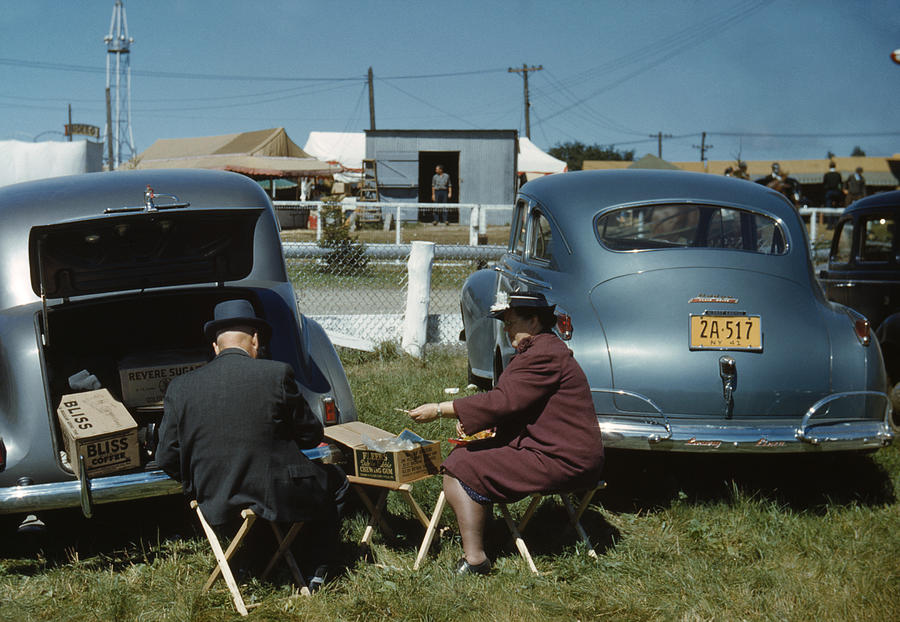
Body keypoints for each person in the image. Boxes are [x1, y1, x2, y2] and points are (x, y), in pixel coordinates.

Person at [408, 292, 604, 575]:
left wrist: (440, 408)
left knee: (458, 466)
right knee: (466, 455)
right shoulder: (545, 350)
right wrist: (483, 425)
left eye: (511, 322)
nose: (506, 328)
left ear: (534, 321)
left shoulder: (543, 355)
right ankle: (486, 533)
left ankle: (475, 560)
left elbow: (503, 400)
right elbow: (522, 406)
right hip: (561, 452)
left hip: (562, 459)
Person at [156, 298, 347, 588]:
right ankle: (315, 568)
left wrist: (202, 481)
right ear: (256, 340)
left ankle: (256, 555)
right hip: (277, 496)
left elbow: (166, 457)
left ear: (216, 347)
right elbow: (310, 434)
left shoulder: (180, 387)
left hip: (215, 500)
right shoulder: (276, 374)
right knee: (338, 481)